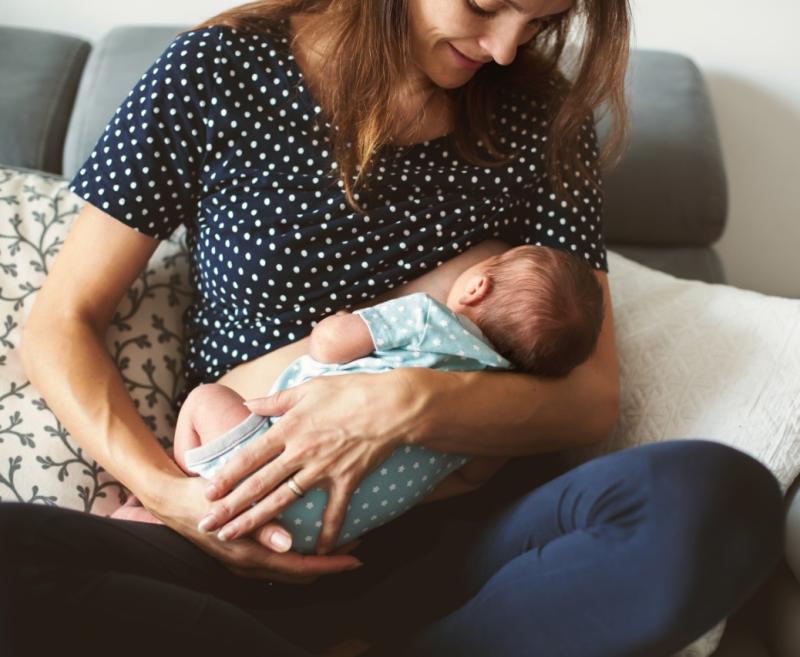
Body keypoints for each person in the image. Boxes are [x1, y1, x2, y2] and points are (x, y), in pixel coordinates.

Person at [1, 1, 784, 656]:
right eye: (484, 4)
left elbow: (588, 397)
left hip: (455, 551)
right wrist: (175, 501)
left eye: (539, 19)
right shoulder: (219, 70)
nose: (508, 46)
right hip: (234, 539)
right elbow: (59, 324)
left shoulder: (546, 118)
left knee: (714, 497)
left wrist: (408, 401)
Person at [110, 244, 605, 558]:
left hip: (257, 460)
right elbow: (468, 479)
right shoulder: (488, 418)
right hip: (321, 534)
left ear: (477, 284)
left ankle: (179, 486)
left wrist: (342, 318)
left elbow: (329, 345)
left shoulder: (427, 319)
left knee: (205, 399)